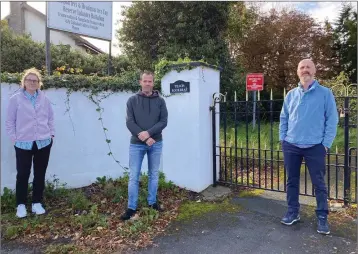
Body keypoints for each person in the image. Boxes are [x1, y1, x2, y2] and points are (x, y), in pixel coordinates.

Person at [279, 59, 338, 235]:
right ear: (298, 72)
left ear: (314, 71)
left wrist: (325, 145)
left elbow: (332, 120)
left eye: (308, 67)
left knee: (319, 183)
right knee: (291, 181)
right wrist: (283, 139)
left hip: (315, 146)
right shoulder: (291, 94)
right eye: (302, 67)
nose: (305, 70)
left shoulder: (325, 94)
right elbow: (284, 118)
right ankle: (292, 212)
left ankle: (322, 216)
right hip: (291, 145)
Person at [6, 68, 55, 218]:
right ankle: (20, 204)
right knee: (23, 174)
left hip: (43, 142)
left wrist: (51, 134)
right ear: (24, 82)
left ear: (39, 83)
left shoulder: (44, 99)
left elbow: (50, 118)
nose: (33, 83)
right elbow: (10, 121)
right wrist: (14, 138)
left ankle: (36, 202)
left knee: (40, 173)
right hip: (23, 143)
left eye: (35, 80)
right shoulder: (15, 99)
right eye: (30, 80)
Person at [120, 70, 168, 221]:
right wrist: (144, 137)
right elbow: (130, 122)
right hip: (137, 144)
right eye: (145, 81)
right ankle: (131, 207)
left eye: (150, 81)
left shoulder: (160, 101)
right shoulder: (132, 100)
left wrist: (148, 134)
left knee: (153, 175)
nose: (147, 84)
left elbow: (163, 121)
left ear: (153, 83)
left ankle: (152, 203)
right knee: (134, 176)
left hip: (156, 143)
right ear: (140, 82)